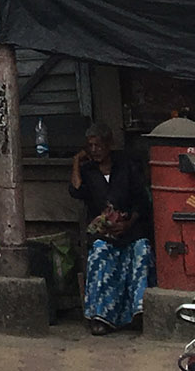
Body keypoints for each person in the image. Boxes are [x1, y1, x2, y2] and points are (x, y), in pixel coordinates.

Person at [69, 121, 153, 334]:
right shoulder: (88, 172)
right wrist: (76, 161)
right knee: (100, 255)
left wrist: (128, 223)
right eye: (90, 146)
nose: (95, 151)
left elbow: (142, 201)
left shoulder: (126, 166)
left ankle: (139, 313)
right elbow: (76, 190)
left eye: (98, 145)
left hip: (130, 230)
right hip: (103, 234)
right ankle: (101, 317)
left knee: (142, 250)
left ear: (109, 144)